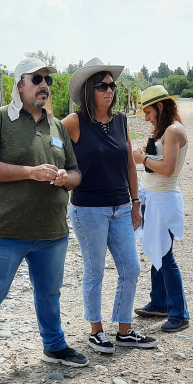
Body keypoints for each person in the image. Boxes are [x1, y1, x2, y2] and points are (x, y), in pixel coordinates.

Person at [0, 58, 88, 384]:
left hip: (52, 231)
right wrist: (30, 172)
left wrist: (65, 177)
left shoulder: (57, 127)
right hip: (5, 230)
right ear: (19, 85)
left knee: (50, 294)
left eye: (48, 81)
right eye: (37, 79)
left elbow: (76, 172)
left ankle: (54, 346)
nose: (45, 85)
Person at [63, 58, 155, 354]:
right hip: (88, 209)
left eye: (112, 85)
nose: (109, 90)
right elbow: (52, 152)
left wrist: (136, 202)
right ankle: (96, 331)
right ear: (88, 90)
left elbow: (129, 164)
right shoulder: (73, 123)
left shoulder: (120, 120)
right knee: (95, 271)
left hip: (121, 207)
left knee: (131, 268)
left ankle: (124, 330)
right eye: (102, 86)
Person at [132, 85, 190, 332]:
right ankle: (159, 302)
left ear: (160, 107)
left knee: (165, 256)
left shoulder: (174, 131)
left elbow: (168, 168)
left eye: (148, 112)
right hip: (153, 197)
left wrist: (142, 158)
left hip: (164, 200)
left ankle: (180, 314)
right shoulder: (164, 130)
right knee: (157, 251)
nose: (146, 118)